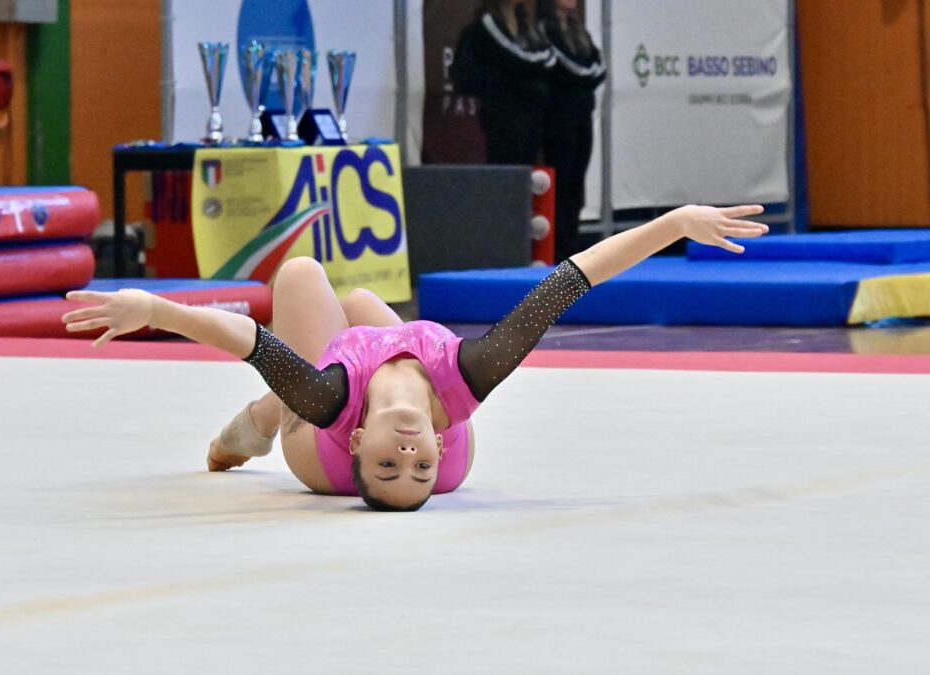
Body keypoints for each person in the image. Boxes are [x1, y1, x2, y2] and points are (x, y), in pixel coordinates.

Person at [63, 205, 767, 512]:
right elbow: (569, 281)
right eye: (419, 466)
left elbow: (247, 340)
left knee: (302, 277)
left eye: (388, 466)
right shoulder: (467, 376)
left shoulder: (334, 407)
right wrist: (675, 224)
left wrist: (152, 307)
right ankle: (336, 378)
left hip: (316, 445)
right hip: (414, 381)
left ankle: (263, 419)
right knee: (364, 303)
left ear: (359, 445)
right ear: (438, 438)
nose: (406, 457)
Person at [538, 0, 606, 260]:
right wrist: (587, 75)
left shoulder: (579, 30)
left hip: (582, 114)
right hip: (558, 116)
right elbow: (565, 67)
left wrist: (587, 75)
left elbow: (598, 66)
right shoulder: (544, 28)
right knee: (563, 182)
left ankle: (570, 241)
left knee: (576, 183)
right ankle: (558, 245)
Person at [450, 0, 553, 165]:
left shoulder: (526, 25)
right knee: (507, 170)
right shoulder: (485, 25)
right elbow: (515, 59)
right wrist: (536, 68)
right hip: (504, 116)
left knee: (527, 172)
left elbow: (546, 60)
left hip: (532, 115)